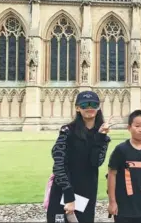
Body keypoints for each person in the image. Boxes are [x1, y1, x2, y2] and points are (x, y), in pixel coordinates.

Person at [46, 91, 112, 223]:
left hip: (86, 193)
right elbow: (59, 165)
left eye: (93, 104)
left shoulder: (103, 138)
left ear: (98, 107)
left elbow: (95, 162)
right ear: (77, 108)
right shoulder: (67, 132)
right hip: (64, 192)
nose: (89, 108)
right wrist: (69, 197)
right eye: (84, 104)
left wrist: (99, 137)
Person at [107, 110, 141, 223]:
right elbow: (112, 174)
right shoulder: (121, 150)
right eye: (137, 126)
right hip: (124, 206)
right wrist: (112, 202)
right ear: (129, 127)